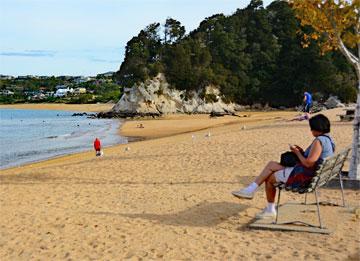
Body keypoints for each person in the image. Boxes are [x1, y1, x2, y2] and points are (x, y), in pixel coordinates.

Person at [231, 114, 335, 219]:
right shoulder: (328, 140)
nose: (311, 131)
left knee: (270, 178)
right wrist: (301, 152)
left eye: (311, 128)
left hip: (304, 176)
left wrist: (297, 153)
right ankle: (250, 190)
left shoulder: (319, 141)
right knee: (271, 165)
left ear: (316, 128)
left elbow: (309, 163)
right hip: (312, 174)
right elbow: (313, 159)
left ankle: (266, 206)